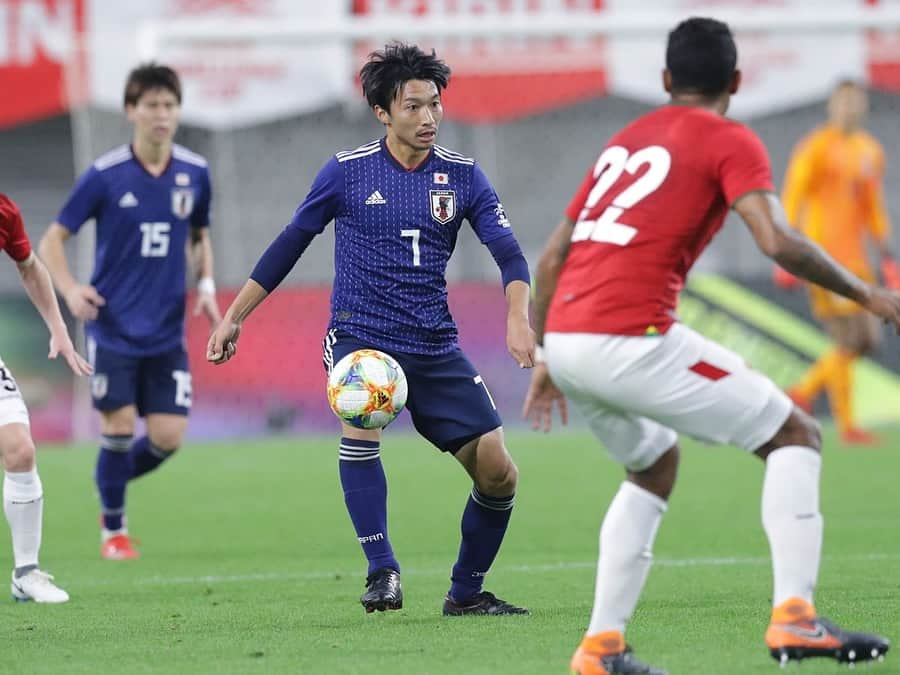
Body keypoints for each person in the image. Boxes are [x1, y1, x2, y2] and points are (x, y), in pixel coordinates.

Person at [523, 18, 895, 675]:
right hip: (631, 336)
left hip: (571, 340)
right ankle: (795, 616)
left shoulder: (625, 138)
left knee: (653, 463)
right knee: (795, 434)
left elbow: (553, 254)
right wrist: (868, 293)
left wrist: (549, 354)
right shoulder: (729, 138)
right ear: (737, 82)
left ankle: (601, 647)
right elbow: (777, 239)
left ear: (666, 81)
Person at [207, 43, 535, 616]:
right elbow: (290, 243)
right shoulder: (347, 172)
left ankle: (465, 593)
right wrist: (234, 316)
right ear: (383, 111)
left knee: (499, 471)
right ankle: (382, 571)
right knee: (364, 420)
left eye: (435, 105)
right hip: (363, 335)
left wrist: (517, 318)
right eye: (413, 106)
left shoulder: (462, 177)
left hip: (434, 344)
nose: (428, 118)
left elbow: (508, 253)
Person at [38, 63, 221, 561]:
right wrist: (72, 290)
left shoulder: (195, 173)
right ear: (130, 111)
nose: (161, 115)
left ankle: (107, 488)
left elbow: (200, 236)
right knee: (116, 429)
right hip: (112, 328)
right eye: (151, 105)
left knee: (167, 438)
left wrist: (204, 283)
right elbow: (52, 241)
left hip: (166, 332)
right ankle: (113, 532)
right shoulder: (105, 175)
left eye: (169, 105)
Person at [775, 80, 900, 445]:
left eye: (855, 103)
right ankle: (829, 412)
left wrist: (885, 250)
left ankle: (811, 395)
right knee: (851, 336)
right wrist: (786, 251)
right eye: (843, 103)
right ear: (833, 106)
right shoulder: (816, 147)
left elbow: (871, 206)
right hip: (823, 259)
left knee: (862, 341)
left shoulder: (868, 150)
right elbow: (793, 195)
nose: (849, 109)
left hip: (857, 259)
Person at [1, 194, 92, 602]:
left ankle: (26, 572)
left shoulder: (4, 210)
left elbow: (30, 266)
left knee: (20, 450)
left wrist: (57, 327)